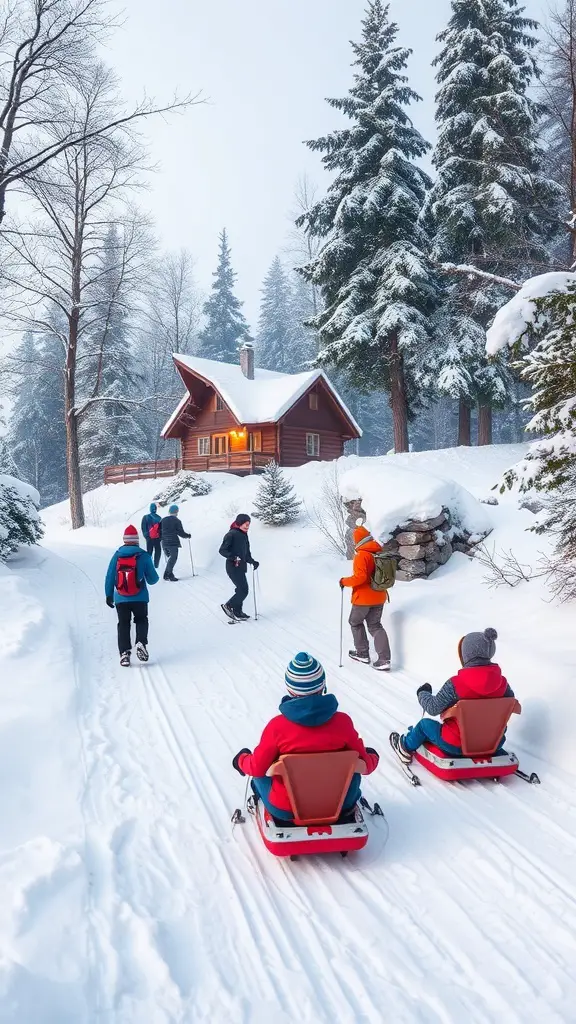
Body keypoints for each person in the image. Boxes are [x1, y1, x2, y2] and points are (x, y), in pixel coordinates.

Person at [232, 652, 379, 822]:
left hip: (287, 810)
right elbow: (366, 765)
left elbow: (256, 767)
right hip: (341, 803)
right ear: (323, 686)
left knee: (259, 774)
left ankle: (270, 810)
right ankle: (344, 812)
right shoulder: (343, 723)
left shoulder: (277, 728)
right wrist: (372, 756)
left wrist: (242, 760)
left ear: (289, 689)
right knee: (353, 767)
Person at [390, 627, 514, 763]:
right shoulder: (503, 684)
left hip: (456, 745)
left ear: (467, 654)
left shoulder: (456, 684)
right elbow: (508, 707)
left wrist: (422, 693)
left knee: (424, 725)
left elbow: (432, 708)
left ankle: (404, 748)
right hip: (493, 743)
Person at [105, 524, 159, 667]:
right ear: (137, 540)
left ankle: (124, 654)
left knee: (123, 624)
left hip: (121, 597)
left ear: (124, 540)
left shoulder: (117, 555)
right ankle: (141, 641)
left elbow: (110, 576)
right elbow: (153, 579)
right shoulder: (144, 555)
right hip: (140, 597)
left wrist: (108, 595)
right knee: (141, 619)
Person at [340, 522, 391, 670]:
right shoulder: (378, 552)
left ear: (359, 540)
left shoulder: (362, 555)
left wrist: (344, 581)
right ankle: (384, 660)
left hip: (363, 599)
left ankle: (362, 653)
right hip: (379, 596)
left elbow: (360, 577)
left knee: (355, 622)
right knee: (375, 626)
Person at [219, 513, 259, 621]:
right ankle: (228, 605)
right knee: (243, 590)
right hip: (232, 566)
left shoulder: (244, 534)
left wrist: (253, 562)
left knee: (241, 589)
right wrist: (233, 557)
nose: (247, 526)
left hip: (241, 566)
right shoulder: (231, 534)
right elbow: (222, 550)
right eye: (245, 524)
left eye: (248, 524)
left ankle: (237, 611)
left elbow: (246, 554)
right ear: (239, 523)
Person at [160, 504, 191, 582]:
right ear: (176, 512)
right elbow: (181, 533)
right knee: (173, 558)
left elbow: (159, 531)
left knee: (170, 558)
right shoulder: (177, 521)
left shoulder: (163, 520)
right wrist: (188, 535)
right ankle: (170, 574)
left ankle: (166, 575)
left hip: (164, 543)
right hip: (172, 543)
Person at [141, 502, 162, 568]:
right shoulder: (159, 518)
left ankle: (149, 566)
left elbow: (143, 527)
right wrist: (160, 537)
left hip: (149, 538)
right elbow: (161, 529)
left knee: (149, 552)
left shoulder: (145, 517)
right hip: (157, 538)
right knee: (158, 552)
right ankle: (156, 565)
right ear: (156, 509)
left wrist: (147, 536)